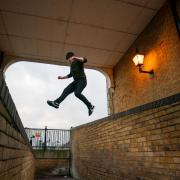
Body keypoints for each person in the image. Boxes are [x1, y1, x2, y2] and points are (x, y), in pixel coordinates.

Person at [47, 52, 95, 116]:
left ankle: (90, 106)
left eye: (69, 59)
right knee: (66, 90)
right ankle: (56, 103)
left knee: (77, 93)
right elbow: (70, 75)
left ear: (72, 57)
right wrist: (62, 77)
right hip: (76, 82)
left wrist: (75, 57)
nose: (69, 61)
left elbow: (85, 59)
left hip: (82, 81)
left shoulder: (78, 61)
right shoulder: (72, 65)